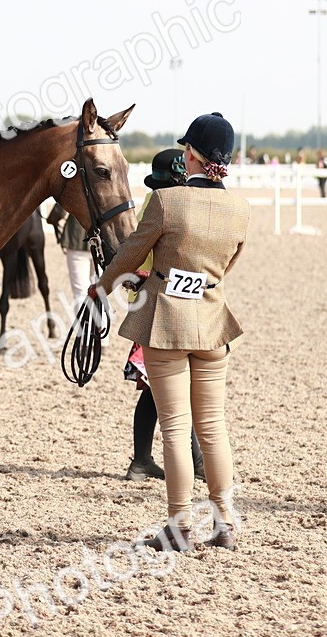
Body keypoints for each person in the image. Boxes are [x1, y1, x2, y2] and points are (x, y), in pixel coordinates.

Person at [92, 112, 250, 552]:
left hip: (167, 326)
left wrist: (102, 287)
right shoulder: (240, 208)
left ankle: (180, 528)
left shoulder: (167, 202)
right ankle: (225, 523)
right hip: (213, 323)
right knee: (214, 428)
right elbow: (227, 266)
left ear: (191, 155)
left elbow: (130, 254)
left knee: (177, 429)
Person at [123, 148, 205, 484]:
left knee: (159, 387)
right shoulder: (174, 204)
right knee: (178, 384)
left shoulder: (155, 201)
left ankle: (143, 461)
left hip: (151, 301)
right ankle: (195, 462)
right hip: (162, 303)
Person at [45, 203, 93, 310]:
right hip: (101, 242)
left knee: (80, 292)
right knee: (99, 290)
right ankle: (101, 325)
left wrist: (52, 219)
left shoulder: (77, 185)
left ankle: (83, 325)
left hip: (77, 240)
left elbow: (61, 208)